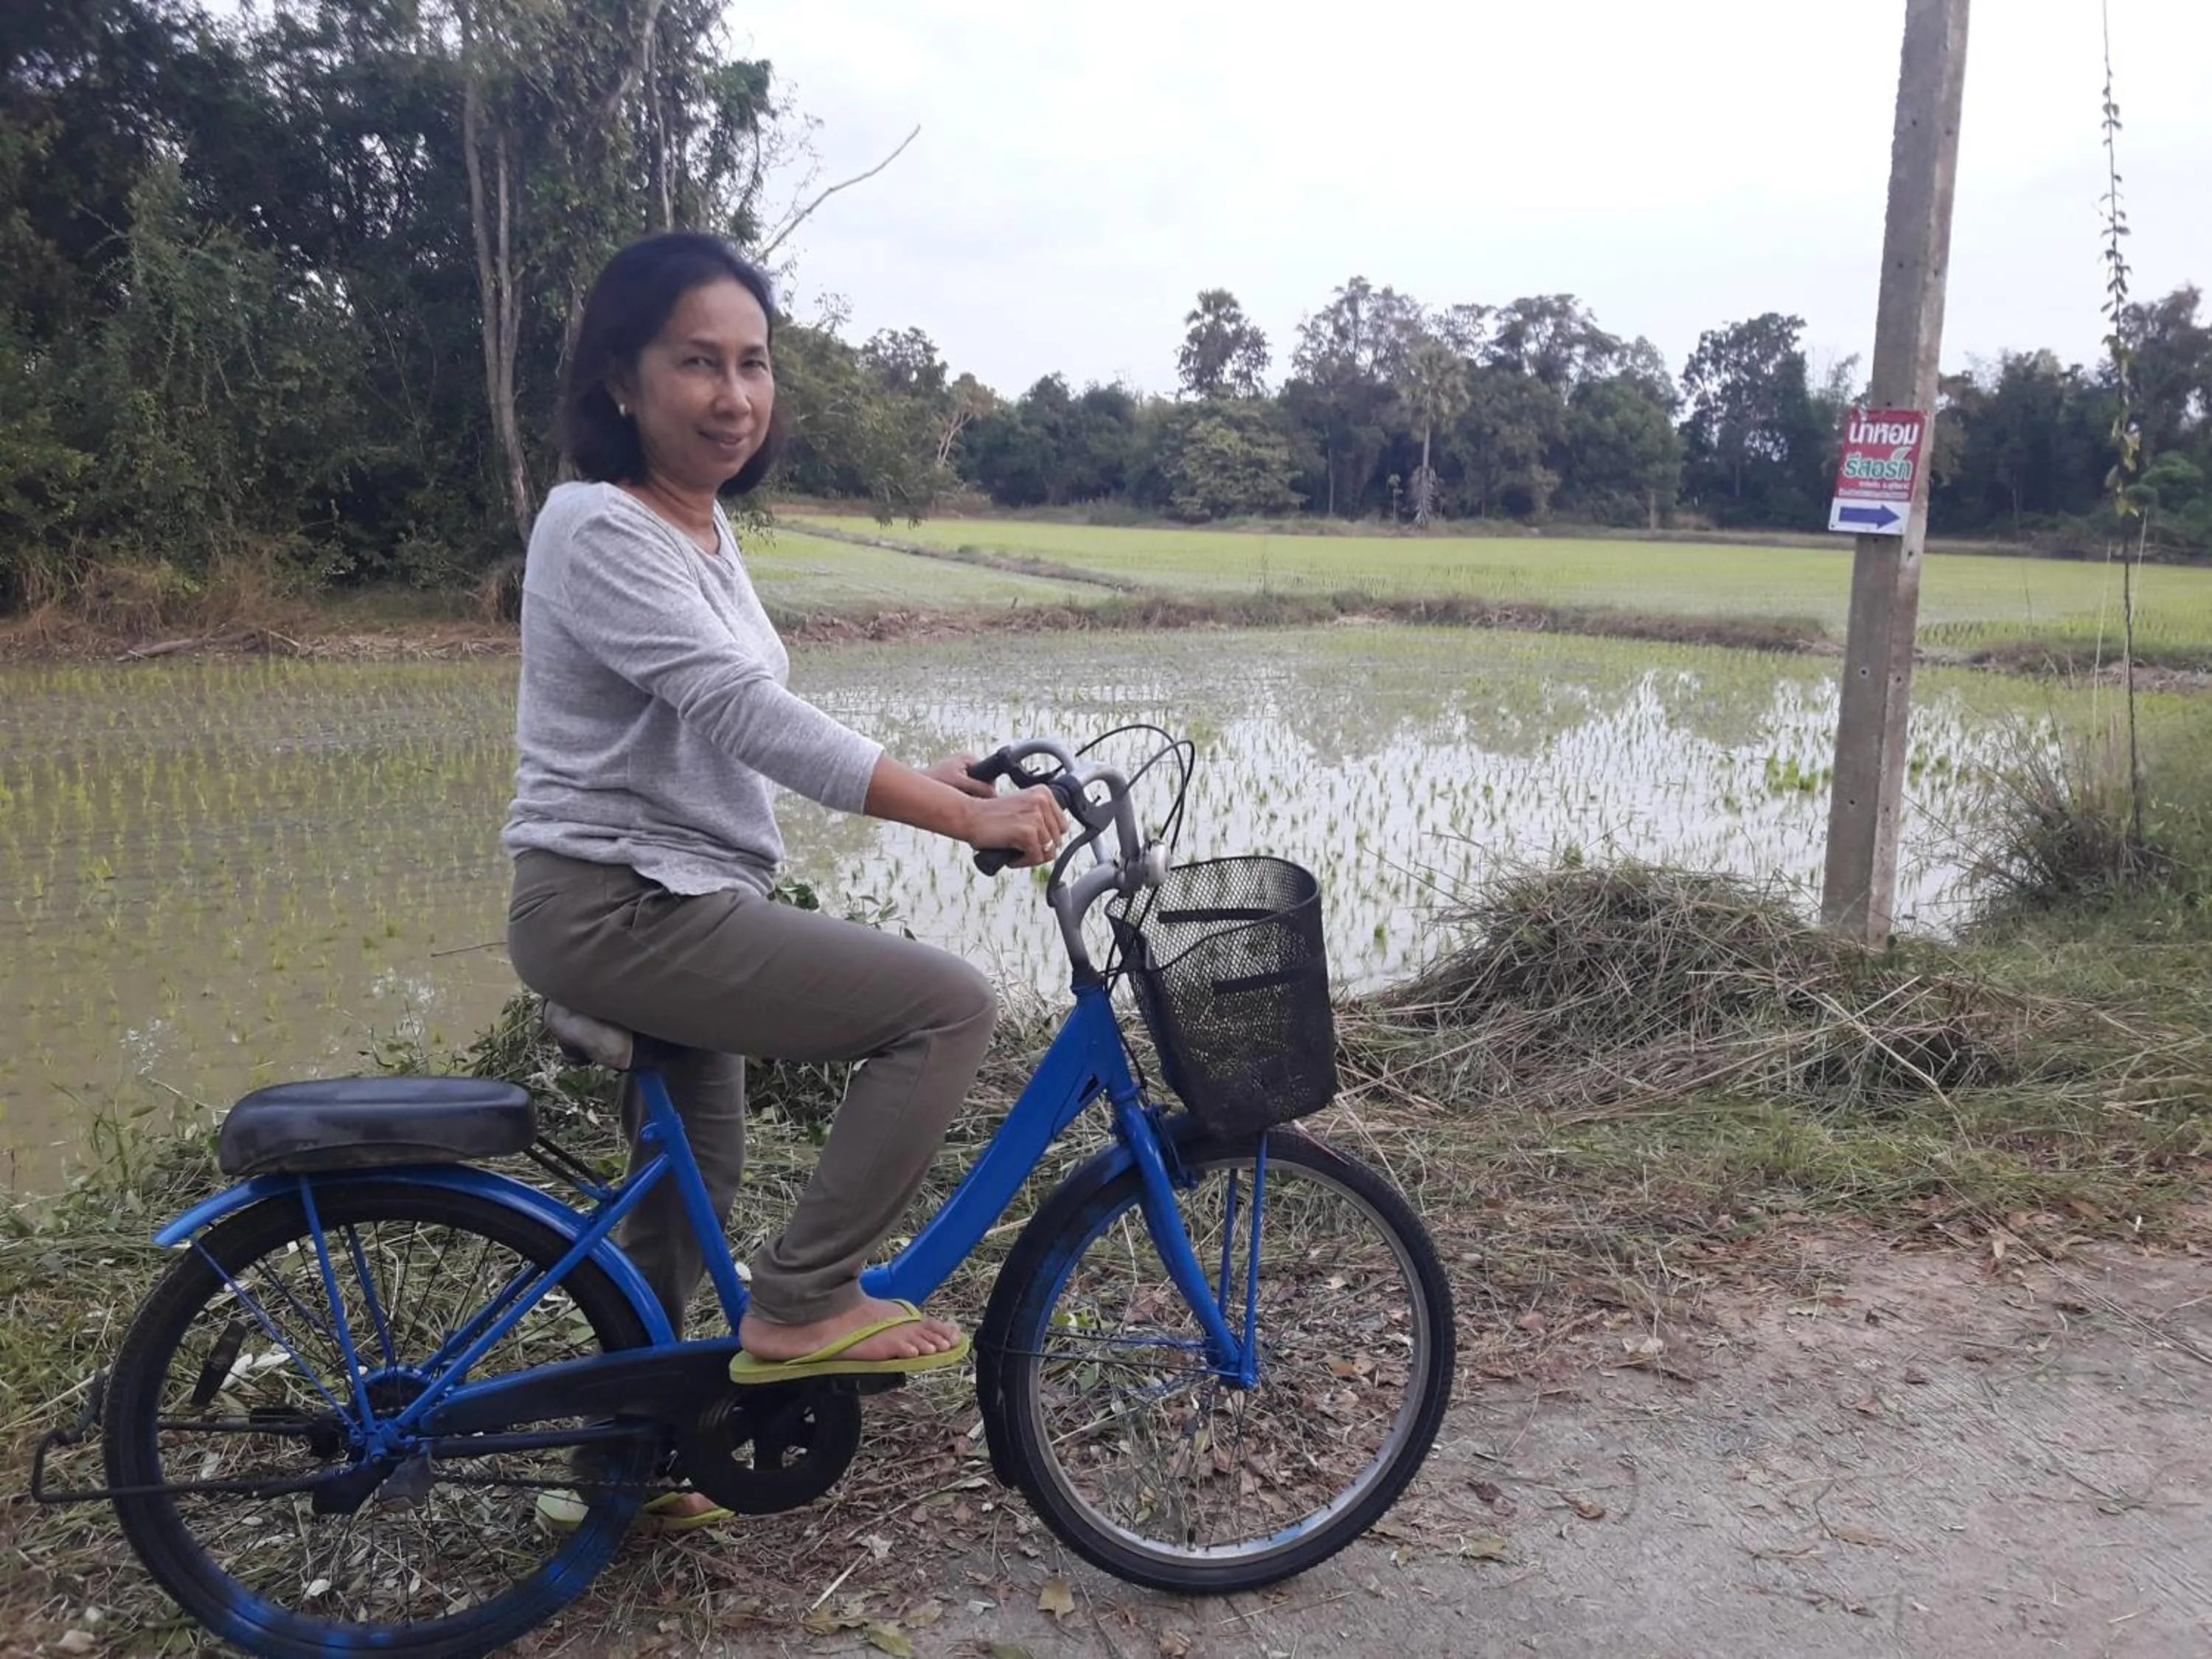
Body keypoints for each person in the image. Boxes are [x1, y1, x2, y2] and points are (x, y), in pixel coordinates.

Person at [504, 234, 1065, 1527]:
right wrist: (953, 817)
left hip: (663, 897)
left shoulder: (697, 527)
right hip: (619, 906)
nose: (733, 394)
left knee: (686, 1182)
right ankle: (807, 1299)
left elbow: (717, 732)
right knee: (946, 1005)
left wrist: (942, 779)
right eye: (696, 361)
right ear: (622, 381)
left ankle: (626, 1461)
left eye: (752, 363)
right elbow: (750, 717)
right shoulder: (602, 524)